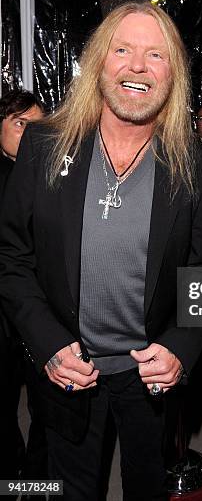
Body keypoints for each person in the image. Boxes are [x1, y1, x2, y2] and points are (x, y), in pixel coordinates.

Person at [0, 1, 202, 500]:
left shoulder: (199, 169)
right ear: (99, 60)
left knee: (146, 485)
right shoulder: (42, 145)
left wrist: (181, 348)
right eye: (122, 49)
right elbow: (11, 256)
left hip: (148, 377)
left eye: (155, 55)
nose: (137, 66)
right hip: (68, 371)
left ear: (173, 74)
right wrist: (46, 343)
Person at [0, 88, 46, 491]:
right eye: (19, 124)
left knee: (46, 412)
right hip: (2, 320)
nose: (30, 133)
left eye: (36, 125)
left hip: (37, 318)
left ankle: (35, 484)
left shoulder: (50, 176)